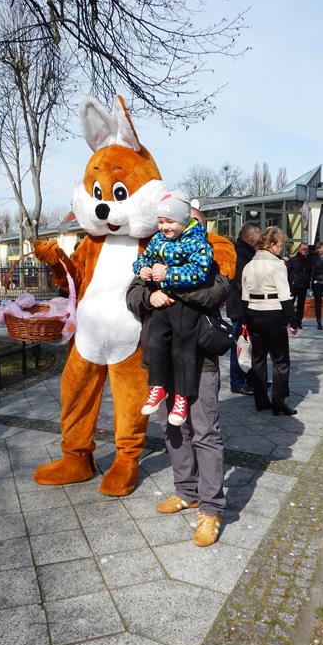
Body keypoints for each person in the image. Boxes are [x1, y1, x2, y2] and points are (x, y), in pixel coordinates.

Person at [126, 229, 234, 548]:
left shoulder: (207, 255)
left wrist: (169, 281)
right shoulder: (157, 251)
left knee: (205, 432)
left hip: (200, 361)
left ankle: (211, 509)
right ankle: (187, 491)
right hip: (163, 362)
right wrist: (149, 296)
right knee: (171, 427)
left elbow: (215, 293)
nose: (170, 230)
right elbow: (133, 293)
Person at [133, 190, 213, 426]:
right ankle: (158, 387)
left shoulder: (197, 242)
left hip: (185, 306)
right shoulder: (158, 240)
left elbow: (200, 271)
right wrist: (141, 269)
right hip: (162, 303)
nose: (164, 227)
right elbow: (144, 258)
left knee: (183, 349)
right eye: (160, 221)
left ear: (184, 220)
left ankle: (181, 397)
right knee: (155, 341)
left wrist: (169, 274)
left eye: (170, 221)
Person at [242, 226, 298, 416]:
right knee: (280, 361)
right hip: (273, 313)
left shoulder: (249, 265)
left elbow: (244, 296)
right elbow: (285, 296)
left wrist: (245, 320)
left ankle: (261, 401)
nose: (281, 249)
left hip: (253, 313)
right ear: (272, 244)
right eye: (280, 245)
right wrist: (293, 321)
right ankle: (279, 402)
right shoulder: (277, 265)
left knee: (258, 359)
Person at [225, 222, 261, 394]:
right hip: (240, 307)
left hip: (245, 306)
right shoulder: (240, 253)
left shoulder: (249, 253)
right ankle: (238, 382)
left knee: (249, 345)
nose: (261, 237)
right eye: (258, 233)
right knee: (240, 345)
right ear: (249, 236)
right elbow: (242, 282)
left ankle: (251, 379)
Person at [286, 242, 312, 328]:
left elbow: (309, 272)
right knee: (290, 304)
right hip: (294, 286)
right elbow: (287, 272)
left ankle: (298, 322)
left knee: (301, 305)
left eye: (307, 249)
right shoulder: (293, 260)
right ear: (299, 249)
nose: (305, 251)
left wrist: (308, 282)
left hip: (303, 286)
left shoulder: (308, 260)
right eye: (304, 249)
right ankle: (289, 321)